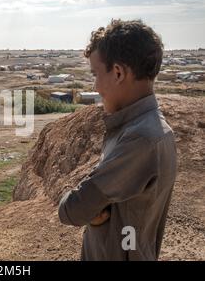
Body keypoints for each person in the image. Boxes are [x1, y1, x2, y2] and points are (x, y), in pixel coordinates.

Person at [58, 19, 177, 261]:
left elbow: (72, 210)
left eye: (96, 74)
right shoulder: (146, 128)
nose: (95, 86)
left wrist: (90, 210)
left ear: (119, 72)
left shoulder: (140, 139)